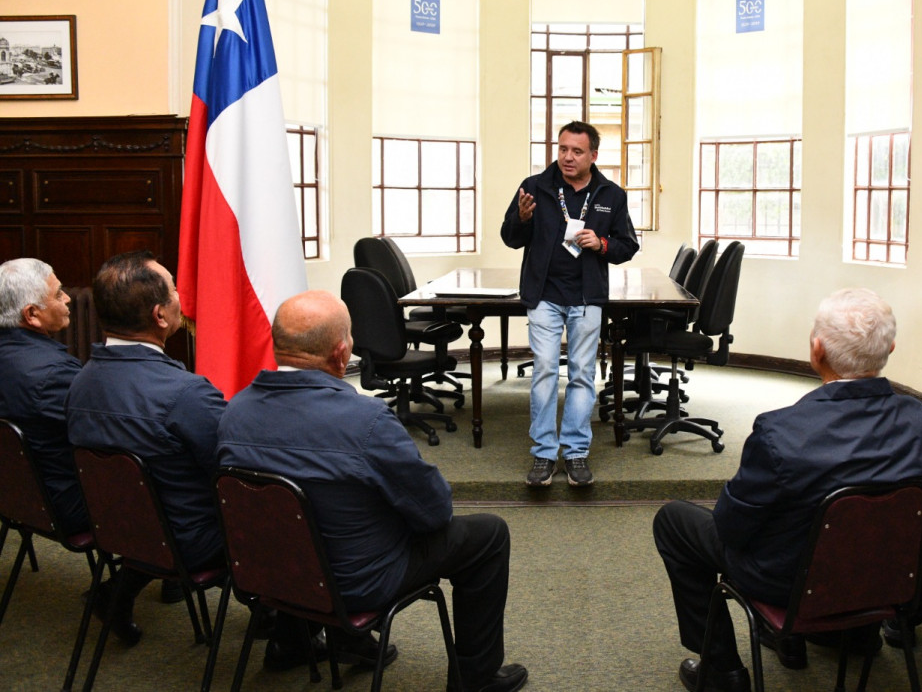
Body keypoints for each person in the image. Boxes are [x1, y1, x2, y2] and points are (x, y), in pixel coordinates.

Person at [217, 290, 528, 692]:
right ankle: (476, 680)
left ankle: (290, 641)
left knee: (299, 523)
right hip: (355, 584)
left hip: (270, 574)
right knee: (489, 534)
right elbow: (434, 511)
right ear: (342, 352)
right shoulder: (365, 422)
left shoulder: (233, 412)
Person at [653, 288, 922, 692]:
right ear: (890, 348)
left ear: (816, 350)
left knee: (673, 522)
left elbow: (732, 528)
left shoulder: (780, 432)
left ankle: (722, 673)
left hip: (787, 583)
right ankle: (857, 635)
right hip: (885, 577)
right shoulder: (921, 422)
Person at [65, 250, 227, 648]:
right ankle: (291, 635)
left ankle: (116, 591)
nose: (180, 299)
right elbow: (234, 465)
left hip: (118, 528)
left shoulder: (79, 381)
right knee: (287, 506)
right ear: (159, 315)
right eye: (174, 291)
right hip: (189, 540)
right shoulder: (184, 393)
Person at [500, 120, 639, 487]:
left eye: (577, 151)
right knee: (545, 370)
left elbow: (628, 246)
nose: (567, 157)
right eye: (562, 149)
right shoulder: (534, 187)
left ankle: (576, 453)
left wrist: (603, 244)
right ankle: (544, 454)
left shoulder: (611, 194)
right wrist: (522, 218)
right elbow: (510, 238)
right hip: (544, 295)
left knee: (582, 374)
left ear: (593, 155)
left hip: (587, 297)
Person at [0, 258, 87, 534]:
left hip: (13, 497)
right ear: (32, 314)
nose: (67, 300)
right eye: (58, 294)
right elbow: (102, 434)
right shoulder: (53, 375)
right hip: (62, 504)